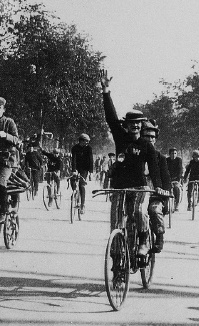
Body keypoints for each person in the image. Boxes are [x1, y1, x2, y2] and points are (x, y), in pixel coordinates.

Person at [100, 69, 166, 257]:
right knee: (115, 222)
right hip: (120, 187)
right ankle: (116, 261)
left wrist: (159, 187)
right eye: (132, 123)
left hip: (139, 187)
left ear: (141, 125)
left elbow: (153, 167)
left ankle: (143, 240)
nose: (135, 126)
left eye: (138, 123)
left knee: (138, 212)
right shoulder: (120, 137)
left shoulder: (146, 145)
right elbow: (110, 117)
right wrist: (106, 91)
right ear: (126, 125)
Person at [141, 120, 171, 252]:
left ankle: (159, 236)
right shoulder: (136, 154)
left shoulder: (161, 158)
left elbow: (166, 178)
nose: (150, 139)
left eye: (152, 137)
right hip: (138, 193)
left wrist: (165, 191)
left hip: (155, 195)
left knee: (154, 210)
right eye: (146, 136)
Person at [71, 133, 93, 214]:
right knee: (72, 181)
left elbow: (91, 159)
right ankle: (75, 194)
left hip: (85, 169)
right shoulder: (74, 148)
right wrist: (73, 170)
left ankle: (82, 205)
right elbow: (73, 159)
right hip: (77, 168)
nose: (87, 143)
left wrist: (91, 172)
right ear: (81, 141)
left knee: (81, 185)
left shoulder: (89, 148)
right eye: (86, 141)